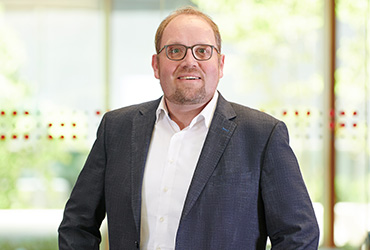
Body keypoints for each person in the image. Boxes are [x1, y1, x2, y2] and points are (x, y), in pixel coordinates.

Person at [58, 6, 320, 250]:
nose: (189, 61)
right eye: (175, 51)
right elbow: (77, 224)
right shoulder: (117, 129)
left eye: (203, 51)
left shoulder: (262, 135)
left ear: (220, 64)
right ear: (156, 65)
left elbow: (299, 235)